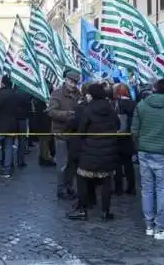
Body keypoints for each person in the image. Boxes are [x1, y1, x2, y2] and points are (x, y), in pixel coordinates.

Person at [132, 78, 164, 240]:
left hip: (144, 151)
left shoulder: (141, 105)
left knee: (147, 190)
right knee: (162, 191)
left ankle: (149, 225)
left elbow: (134, 130)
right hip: (163, 152)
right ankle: (160, 228)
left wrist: (139, 146)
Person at [67, 83, 120, 221]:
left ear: (92, 95)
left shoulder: (88, 110)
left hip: (89, 151)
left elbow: (82, 131)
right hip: (107, 152)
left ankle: (82, 210)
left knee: (82, 179)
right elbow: (118, 125)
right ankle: (105, 212)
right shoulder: (110, 108)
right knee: (106, 182)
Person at [47, 69, 82, 200]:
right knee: (62, 164)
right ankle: (61, 189)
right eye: (71, 82)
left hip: (73, 133)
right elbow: (51, 112)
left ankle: (69, 187)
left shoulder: (79, 94)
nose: (73, 85)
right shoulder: (57, 94)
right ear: (66, 80)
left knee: (72, 164)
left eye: (75, 83)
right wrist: (68, 114)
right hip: (61, 132)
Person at [112, 83, 136, 195]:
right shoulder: (134, 104)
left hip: (119, 137)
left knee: (117, 165)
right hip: (130, 137)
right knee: (128, 164)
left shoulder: (118, 104)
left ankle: (118, 188)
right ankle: (132, 187)